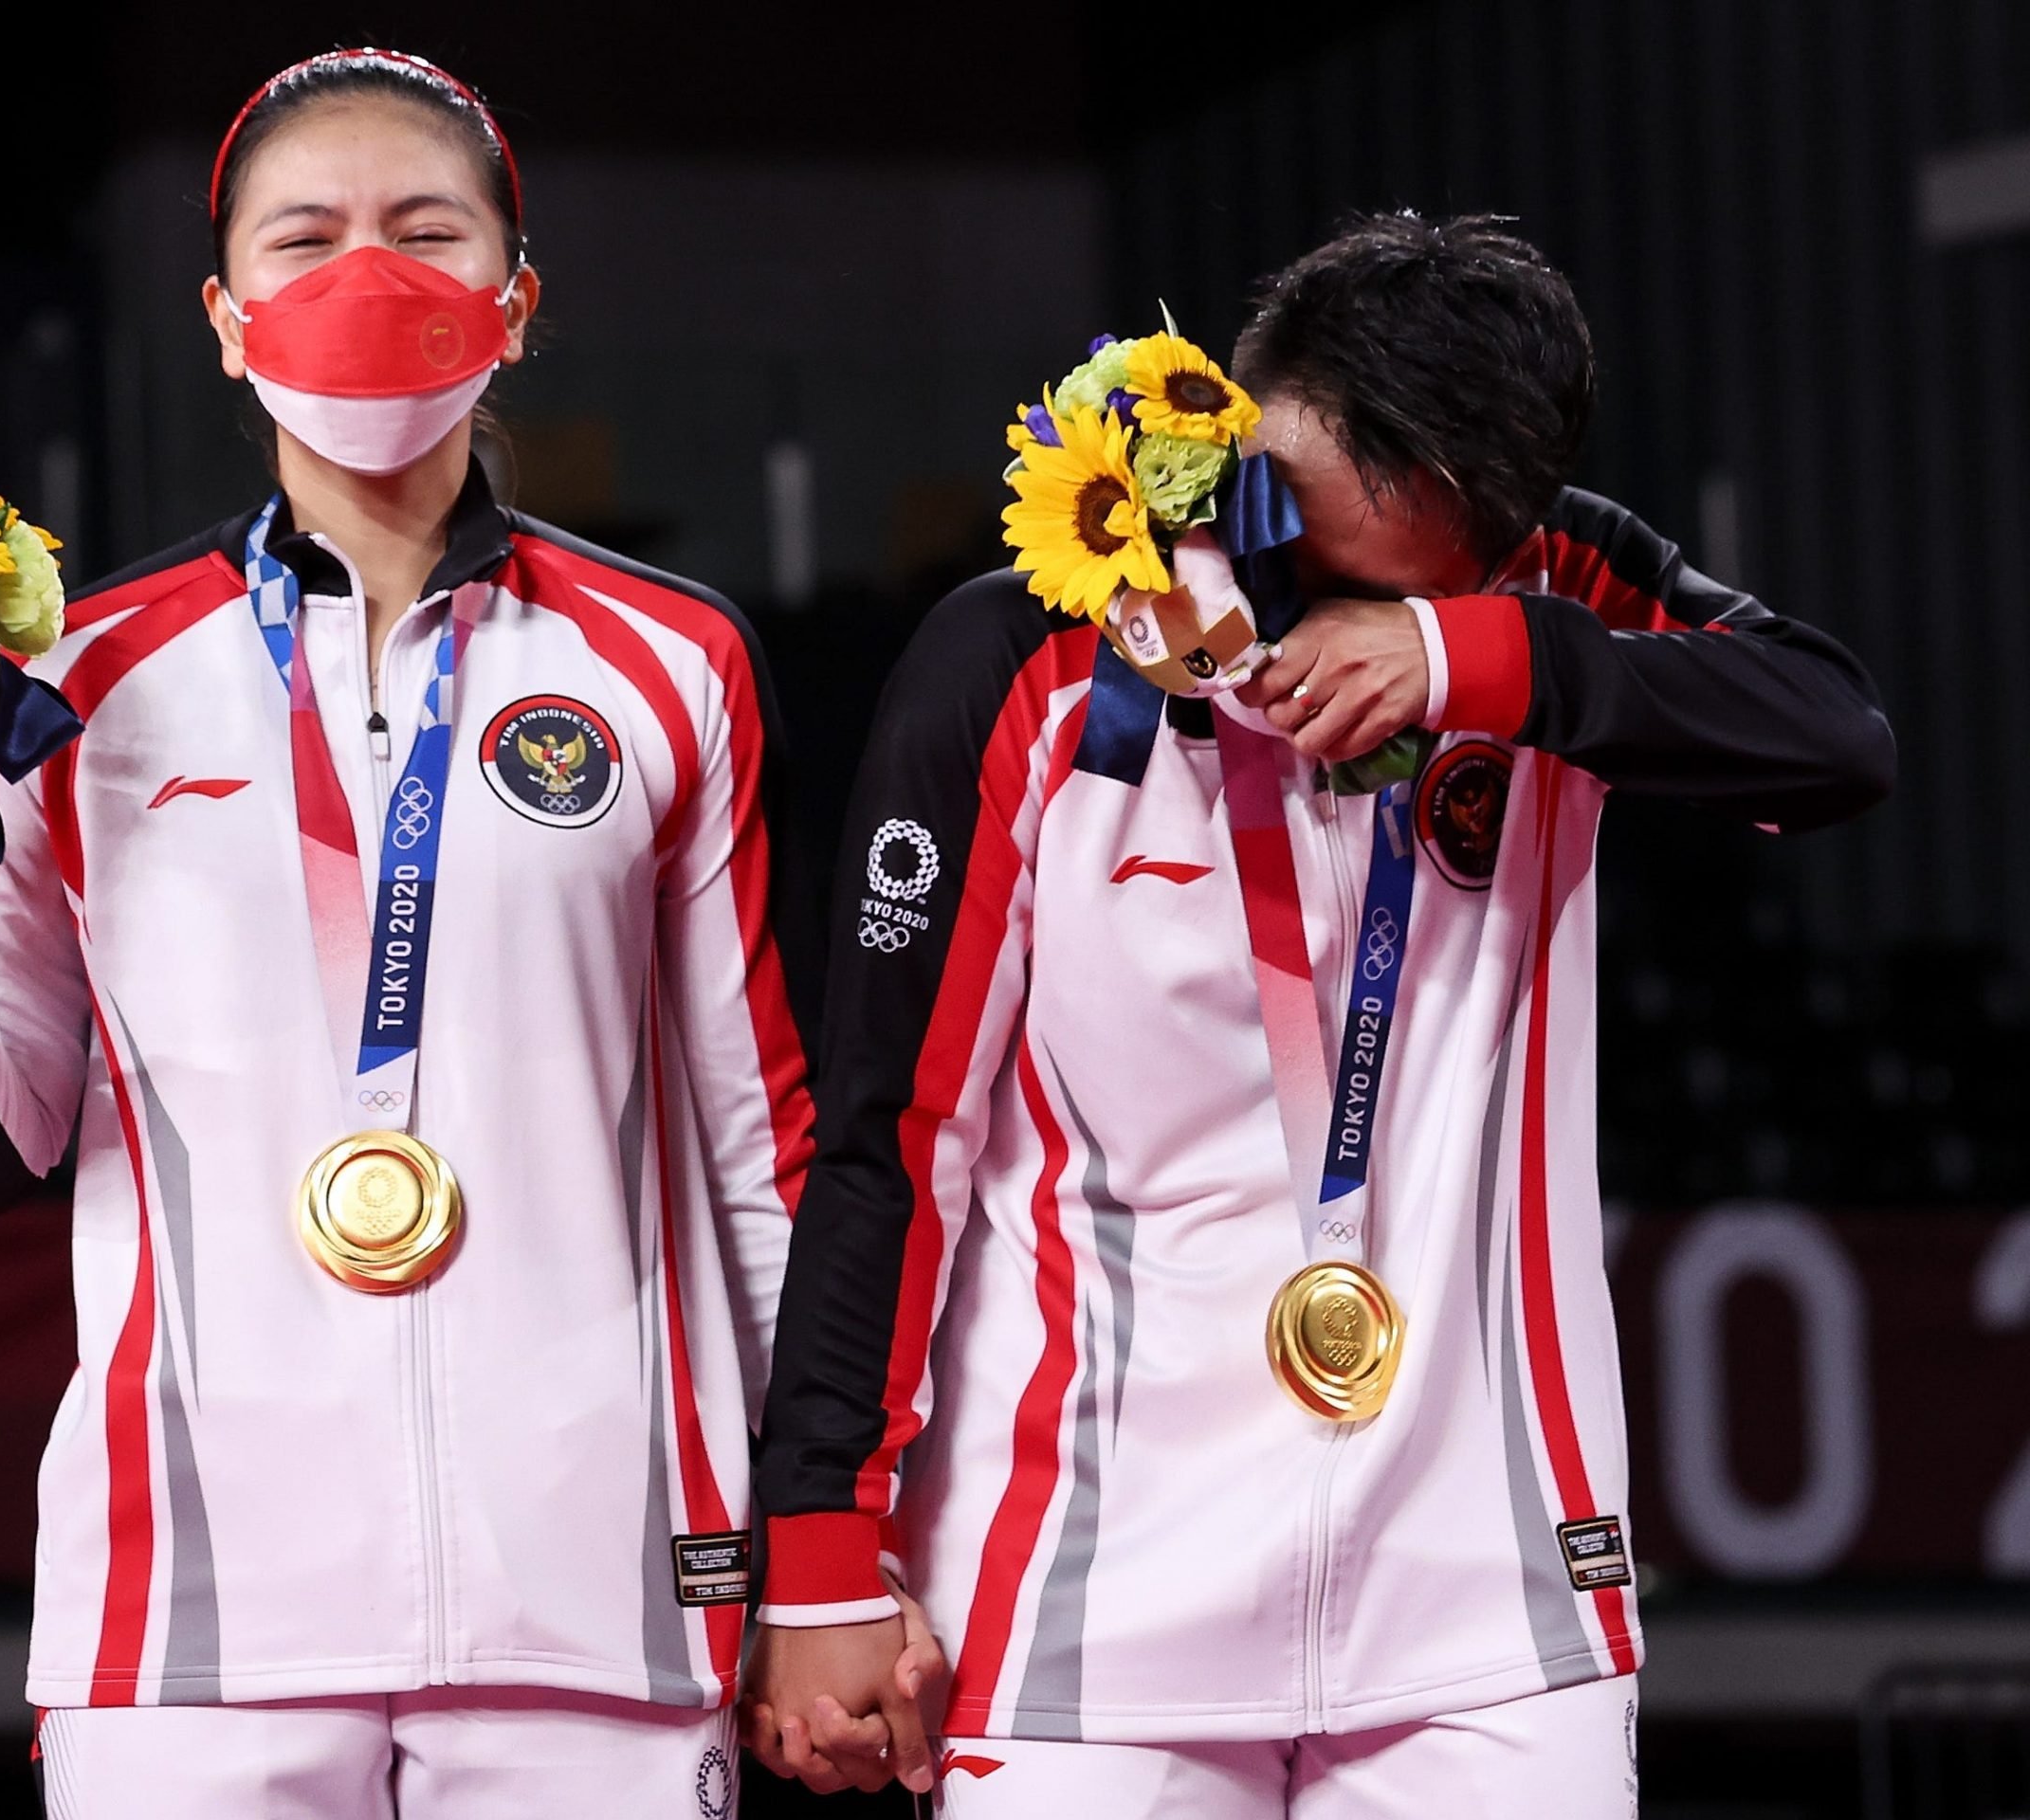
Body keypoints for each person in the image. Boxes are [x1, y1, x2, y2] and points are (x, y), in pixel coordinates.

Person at [742, 213, 1895, 1817]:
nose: (1304, 590)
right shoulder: (1025, 656)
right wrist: (818, 1544)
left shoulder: (1540, 584)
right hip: (1094, 1576)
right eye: (1300, 525)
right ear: (1242, 414)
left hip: (1487, 1590)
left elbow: (1838, 735)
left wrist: (1468, 652)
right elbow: (889, 1137)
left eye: (1407, 574)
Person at [0, 47, 813, 1817]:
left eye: (426, 233)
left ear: (515, 300)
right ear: (224, 313)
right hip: (197, 1607)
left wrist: (809, 1542)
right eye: (308, 238)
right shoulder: (75, 683)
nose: (368, 277)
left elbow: (756, 1152)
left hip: (595, 1594)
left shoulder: (669, 664)